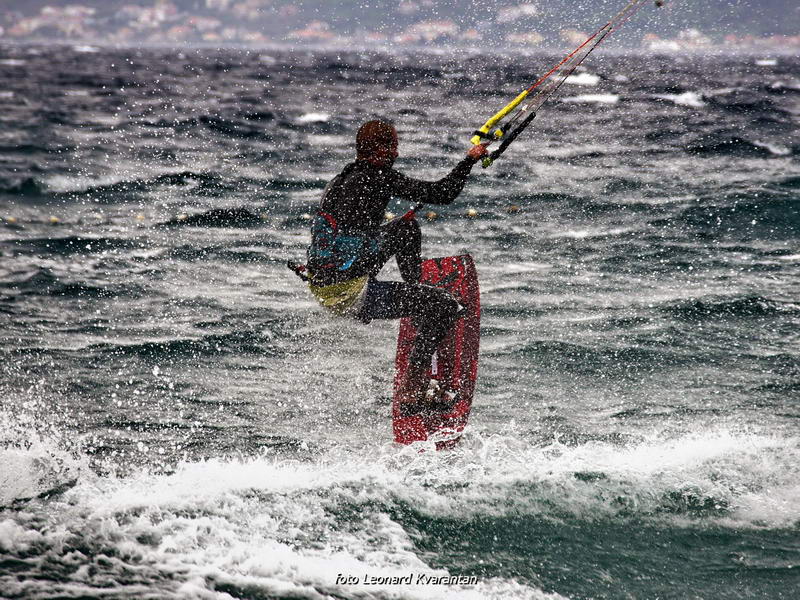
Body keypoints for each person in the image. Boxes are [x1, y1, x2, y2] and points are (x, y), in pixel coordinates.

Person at [304, 120, 487, 414]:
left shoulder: (343, 179)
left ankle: (416, 294)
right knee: (444, 307)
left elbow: (343, 240)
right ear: (382, 149)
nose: (397, 153)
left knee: (405, 228)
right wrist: (470, 160)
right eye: (394, 146)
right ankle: (413, 390)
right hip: (351, 292)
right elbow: (443, 193)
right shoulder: (377, 177)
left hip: (324, 286)